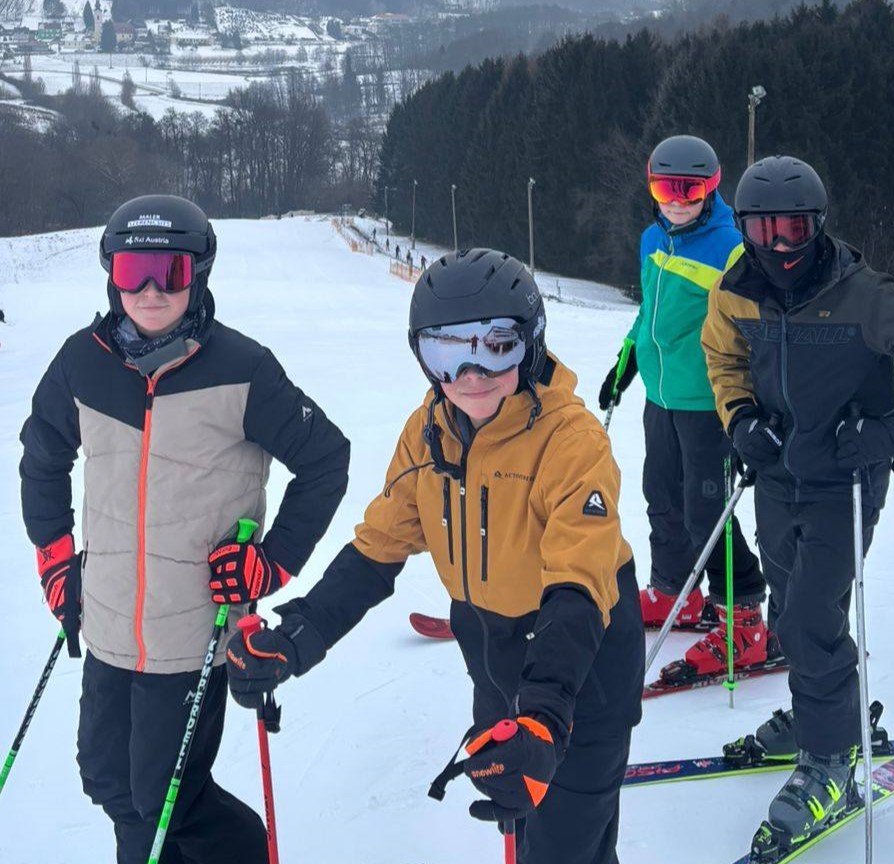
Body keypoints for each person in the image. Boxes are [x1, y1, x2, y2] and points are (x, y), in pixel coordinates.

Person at [223, 249, 644, 864]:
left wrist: (548, 717)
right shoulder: (429, 431)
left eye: (495, 346)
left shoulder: (571, 440)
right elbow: (378, 549)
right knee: (525, 835)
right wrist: (298, 635)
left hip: (581, 665)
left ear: (530, 344)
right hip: (494, 660)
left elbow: (578, 582)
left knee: (567, 848)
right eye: (446, 352)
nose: (470, 373)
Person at [18, 193, 350, 864]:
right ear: (110, 274)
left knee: (163, 798)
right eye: (131, 271)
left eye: (166, 272)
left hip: (192, 629)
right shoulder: (81, 364)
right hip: (107, 617)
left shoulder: (243, 369)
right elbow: (42, 456)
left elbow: (325, 461)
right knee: (107, 778)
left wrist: (270, 564)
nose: (147, 290)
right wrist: (57, 562)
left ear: (196, 274)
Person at [700, 156, 894, 852]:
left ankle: (829, 762)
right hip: (776, 475)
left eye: (794, 229)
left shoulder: (860, 294)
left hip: (846, 481)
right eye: (764, 230)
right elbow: (725, 361)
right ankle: (821, 714)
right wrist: (740, 421)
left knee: (812, 616)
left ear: (817, 226)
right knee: (790, 611)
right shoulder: (735, 293)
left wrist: (891, 431)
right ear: (745, 229)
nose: (781, 246)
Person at [597, 134, 769, 681]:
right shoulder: (653, 238)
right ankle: (677, 591)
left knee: (706, 510)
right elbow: (649, 312)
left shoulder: (730, 248)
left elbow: (753, 332)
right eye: (663, 188)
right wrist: (626, 360)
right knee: (660, 497)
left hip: (708, 404)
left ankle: (742, 615)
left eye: (688, 190)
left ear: (711, 189)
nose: (675, 200)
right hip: (660, 397)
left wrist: (753, 404)